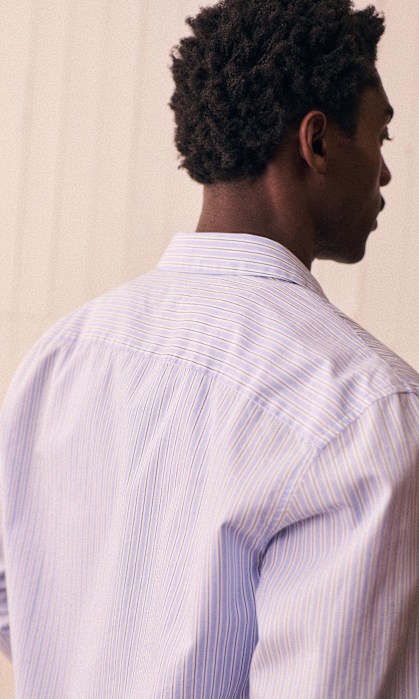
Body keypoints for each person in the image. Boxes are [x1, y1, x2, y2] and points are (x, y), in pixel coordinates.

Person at [0, 0, 418, 696]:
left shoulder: (62, 357)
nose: (384, 173)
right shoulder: (366, 409)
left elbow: (20, 610)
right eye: (382, 136)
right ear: (315, 141)